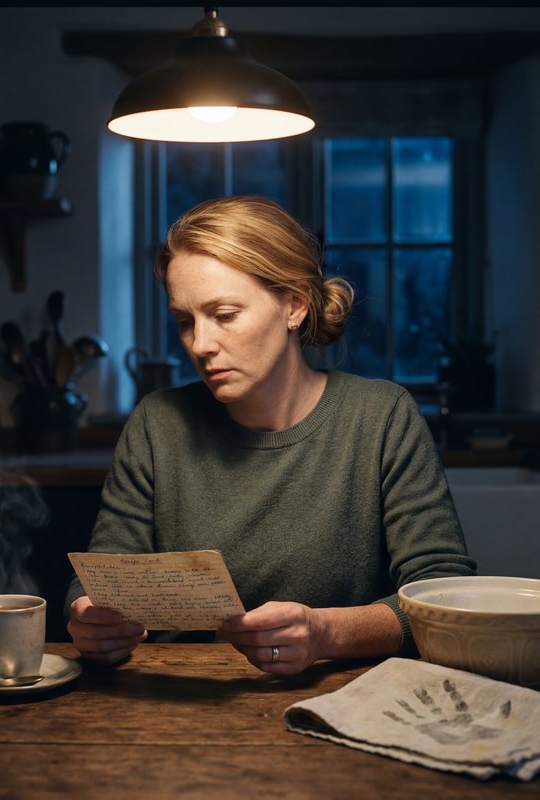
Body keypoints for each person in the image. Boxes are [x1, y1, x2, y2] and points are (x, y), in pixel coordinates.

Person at [66, 195, 475, 675]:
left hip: (342, 697)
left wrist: (326, 634)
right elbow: (104, 575)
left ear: (295, 305)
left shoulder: (381, 417)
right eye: (184, 322)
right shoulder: (158, 423)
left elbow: (443, 592)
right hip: (177, 698)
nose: (200, 345)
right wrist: (90, 619)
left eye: (224, 314)